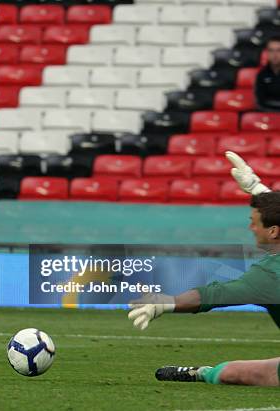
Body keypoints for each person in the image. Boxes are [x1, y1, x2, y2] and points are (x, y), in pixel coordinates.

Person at [128, 151, 279, 387]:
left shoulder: (269, 276)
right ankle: (200, 373)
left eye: (254, 221)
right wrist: (255, 187)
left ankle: (205, 373)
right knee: (230, 372)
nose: (250, 227)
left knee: (233, 373)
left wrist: (166, 303)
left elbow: (211, 295)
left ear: (273, 232)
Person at [255, 35, 280, 111]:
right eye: (271, 50)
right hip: (267, 114)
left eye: (279, 50)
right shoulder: (262, 75)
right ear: (267, 53)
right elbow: (260, 101)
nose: (275, 54)